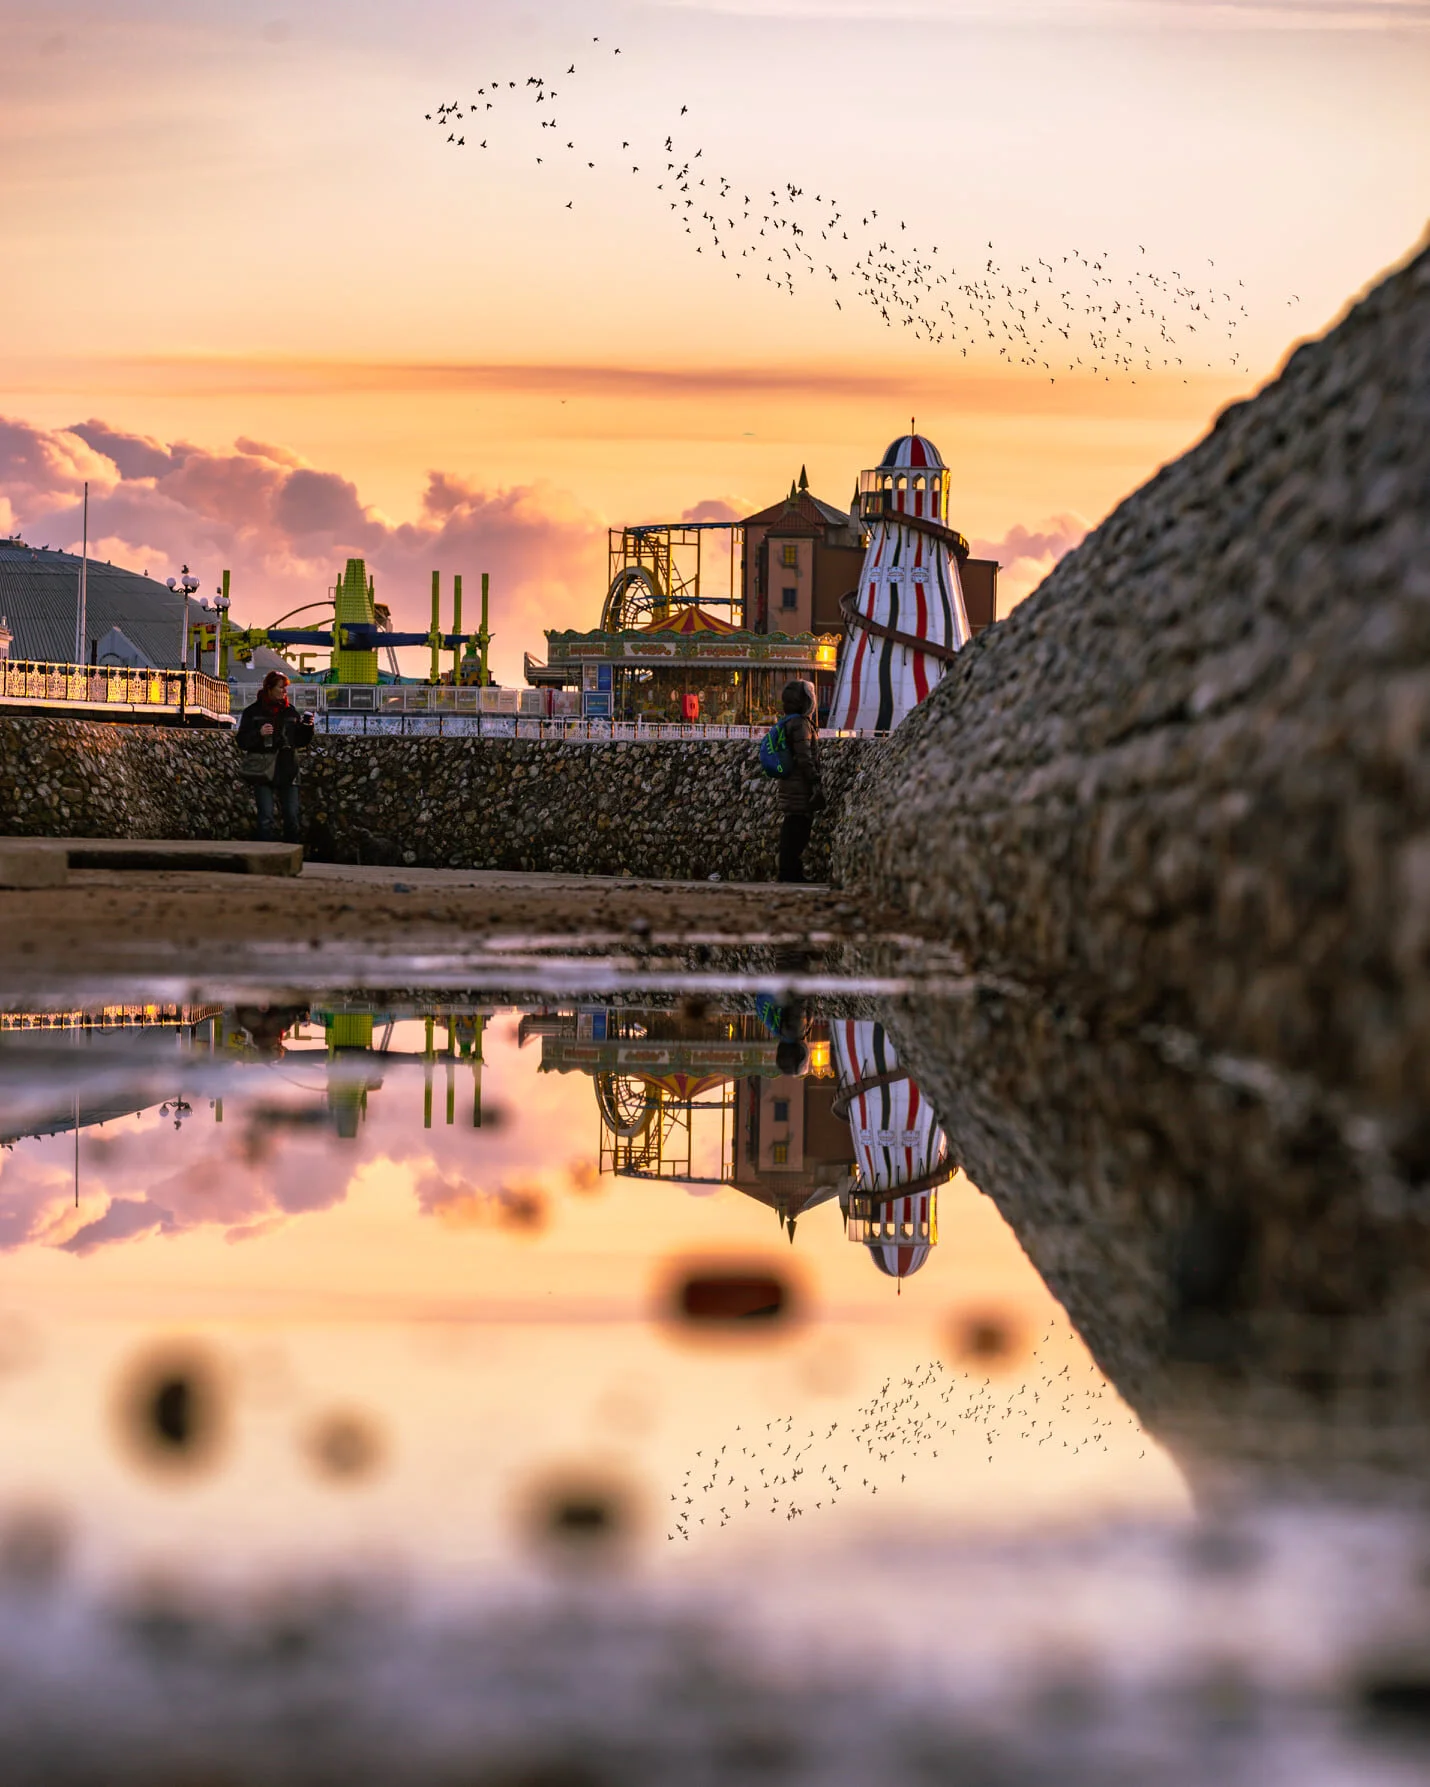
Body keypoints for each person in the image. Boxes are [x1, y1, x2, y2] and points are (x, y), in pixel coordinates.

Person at [236, 670, 314, 844]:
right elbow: (242, 740)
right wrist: (259, 734)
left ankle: (291, 856)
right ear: (269, 688)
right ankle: (264, 858)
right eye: (281, 688)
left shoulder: (290, 712)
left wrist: (307, 728)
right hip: (263, 770)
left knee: (292, 817)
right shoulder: (253, 712)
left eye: (285, 689)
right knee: (266, 817)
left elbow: (299, 741)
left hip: (288, 769)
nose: (284, 692)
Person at [775, 679, 824, 883]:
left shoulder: (788, 722)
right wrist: (814, 779)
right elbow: (804, 756)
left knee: (791, 828)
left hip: (789, 783)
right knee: (798, 830)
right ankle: (791, 873)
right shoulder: (801, 725)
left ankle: (789, 872)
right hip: (799, 786)